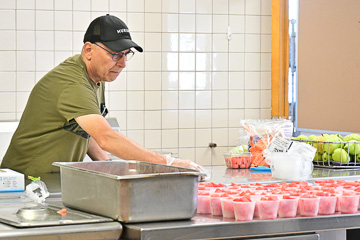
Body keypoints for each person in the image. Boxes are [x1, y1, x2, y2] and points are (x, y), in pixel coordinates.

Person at [1, 14, 205, 176]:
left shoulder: (96, 76)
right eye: (115, 54)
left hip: (52, 180)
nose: (123, 63)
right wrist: (168, 163)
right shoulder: (72, 83)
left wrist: (112, 169)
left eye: (126, 54)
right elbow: (106, 138)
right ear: (88, 50)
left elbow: (83, 132)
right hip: (26, 181)